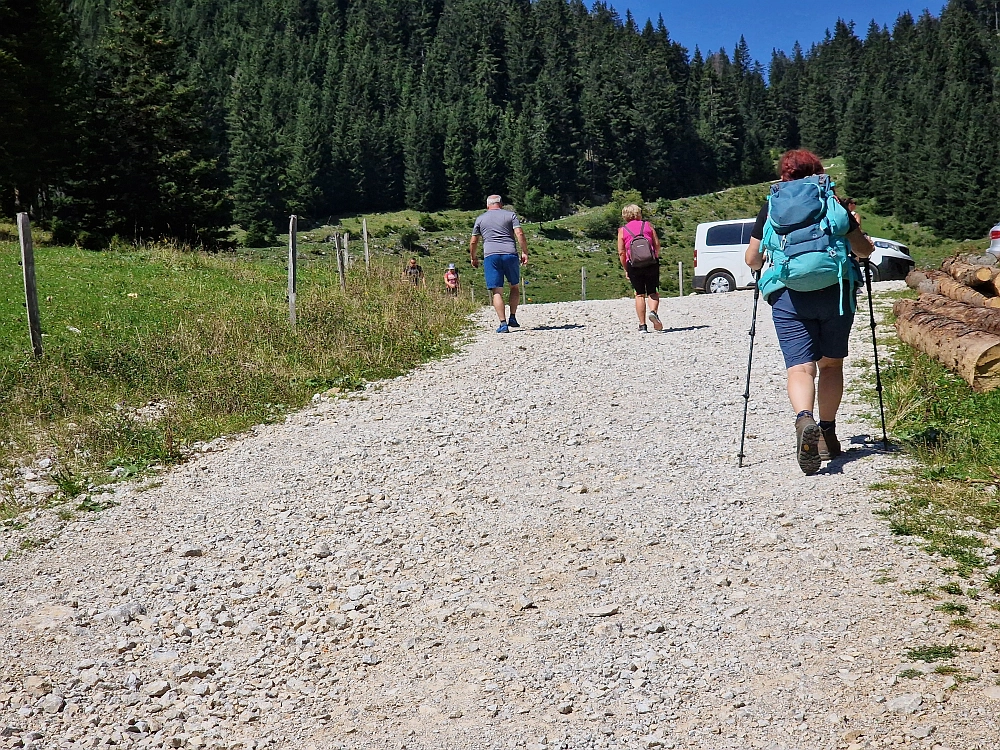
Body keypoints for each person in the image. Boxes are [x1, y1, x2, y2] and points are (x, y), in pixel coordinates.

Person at [744, 149, 874, 475]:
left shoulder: (772, 206)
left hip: (789, 298)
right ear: (817, 171)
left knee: (801, 370)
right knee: (830, 366)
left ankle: (805, 420)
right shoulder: (833, 203)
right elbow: (863, 250)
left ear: (785, 174)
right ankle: (827, 432)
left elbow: (752, 259)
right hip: (835, 294)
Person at [469, 194, 528, 333]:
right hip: (510, 254)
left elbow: (473, 241)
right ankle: (512, 317)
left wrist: (473, 257)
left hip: (491, 256)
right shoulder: (510, 215)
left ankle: (503, 324)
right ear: (501, 204)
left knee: (497, 291)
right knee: (514, 286)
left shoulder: (480, 219)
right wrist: (524, 252)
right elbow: (519, 233)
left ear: (487, 205)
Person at [617, 204, 663, 333]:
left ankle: (642, 326)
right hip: (651, 262)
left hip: (634, 264)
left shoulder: (622, 230)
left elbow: (621, 252)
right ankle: (653, 312)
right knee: (653, 291)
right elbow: (657, 244)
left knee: (639, 294)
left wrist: (626, 268)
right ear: (638, 213)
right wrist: (655, 257)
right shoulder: (647, 225)